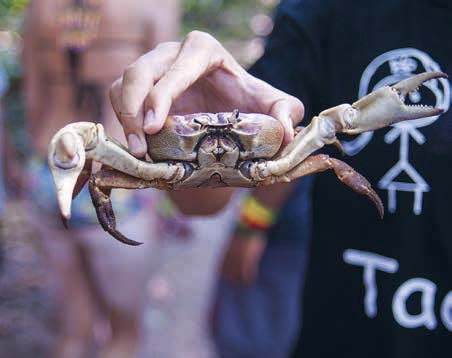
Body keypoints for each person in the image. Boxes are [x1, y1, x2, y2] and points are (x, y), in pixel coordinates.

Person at [109, 0, 451, 357]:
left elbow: (322, 159)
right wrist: (187, 119)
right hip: (347, 323)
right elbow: (208, 196)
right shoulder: (326, 12)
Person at [22, 0, 179, 356]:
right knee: (124, 335)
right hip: (117, 179)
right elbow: (163, 99)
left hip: (49, 172)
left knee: (73, 330)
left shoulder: (39, 6)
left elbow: (32, 97)